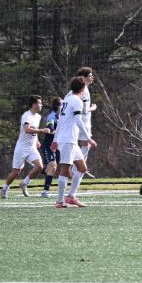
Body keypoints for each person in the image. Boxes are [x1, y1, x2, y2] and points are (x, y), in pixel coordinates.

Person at [53, 77, 95, 208]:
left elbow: (60, 121)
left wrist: (55, 139)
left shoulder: (66, 100)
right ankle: (59, 202)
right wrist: (88, 137)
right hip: (68, 140)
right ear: (82, 89)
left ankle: (71, 197)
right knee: (65, 170)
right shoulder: (77, 101)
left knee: (82, 168)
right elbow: (78, 120)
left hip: (70, 141)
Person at [1, 95, 52, 198]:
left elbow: (34, 131)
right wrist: (42, 130)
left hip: (32, 147)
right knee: (16, 172)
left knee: (40, 166)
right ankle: (5, 188)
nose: (41, 105)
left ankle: (24, 183)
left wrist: (37, 140)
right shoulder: (26, 115)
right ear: (34, 104)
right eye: (39, 103)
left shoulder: (38, 116)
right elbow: (27, 129)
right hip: (22, 148)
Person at [75, 67, 98, 176]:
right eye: (90, 76)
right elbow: (84, 110)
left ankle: (79, 168)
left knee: (81, 146)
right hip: (83, 123)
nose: (92, 77)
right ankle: (80, 168)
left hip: (82, 123)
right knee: (86, 145)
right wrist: (93, 107)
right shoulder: (84, 90)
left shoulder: (84, 89)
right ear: (83, 78)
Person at [38, 97, 61, 197]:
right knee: (53, 166)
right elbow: (50, 129)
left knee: (53, 167)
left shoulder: (63, 116)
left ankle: (42, 168)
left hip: (58, 147)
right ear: (58, 106)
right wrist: (58, 131)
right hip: (49, 146)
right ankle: (45, 191)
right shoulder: (51, 116)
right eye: (62, 104)